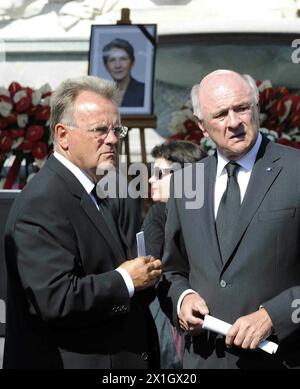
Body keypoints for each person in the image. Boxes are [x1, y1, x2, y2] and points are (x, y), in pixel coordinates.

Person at [3, 75, 162, 369]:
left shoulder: (110, 191)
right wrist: (126, 280)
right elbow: (56, 299)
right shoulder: (43, 201)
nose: (113, 139)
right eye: (100, 130)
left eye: (117, 130)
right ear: (63, 135)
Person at [158, 69, 300, 369]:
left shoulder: (295, 170)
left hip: (282, 358)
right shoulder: (186, 183)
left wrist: (275, 315)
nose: (234, 122)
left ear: (257, 107)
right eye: (221, 114)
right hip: (205, 360)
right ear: (202, 126)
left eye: (242, 108)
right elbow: (172, 270)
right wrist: (183, 299)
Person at [142, 140, 206, 369]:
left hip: (178, 322)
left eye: (159, 174)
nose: (150, 179)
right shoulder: (161, 211)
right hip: (180, 315)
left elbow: (151, 263)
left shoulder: (162, 211)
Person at [102, 38, 145, 107]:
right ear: (106, 66)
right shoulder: (102, 95)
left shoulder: (144, 92)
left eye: (123, 59)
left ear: (132, 63)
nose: (118, 65)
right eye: (112, 60)